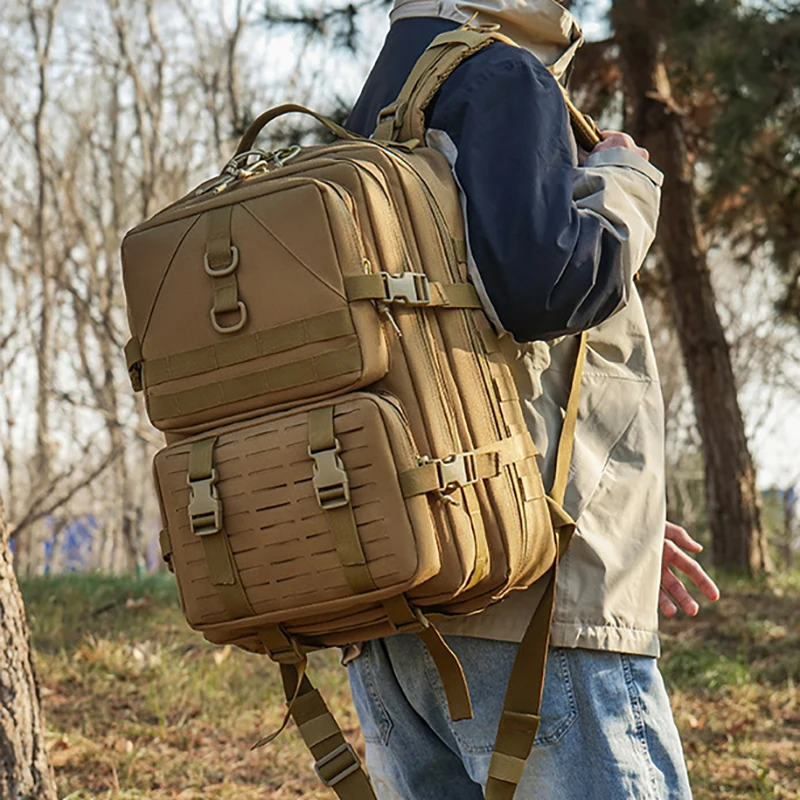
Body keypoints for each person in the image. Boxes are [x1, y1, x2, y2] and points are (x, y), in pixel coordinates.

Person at [344, 1, 719, 798]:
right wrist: (625, 182)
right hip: (531, 622)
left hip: (398, 609)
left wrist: (621, 513)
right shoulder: (500, 76)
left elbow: (464, 356)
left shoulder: (377, 102)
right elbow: (546, 288)